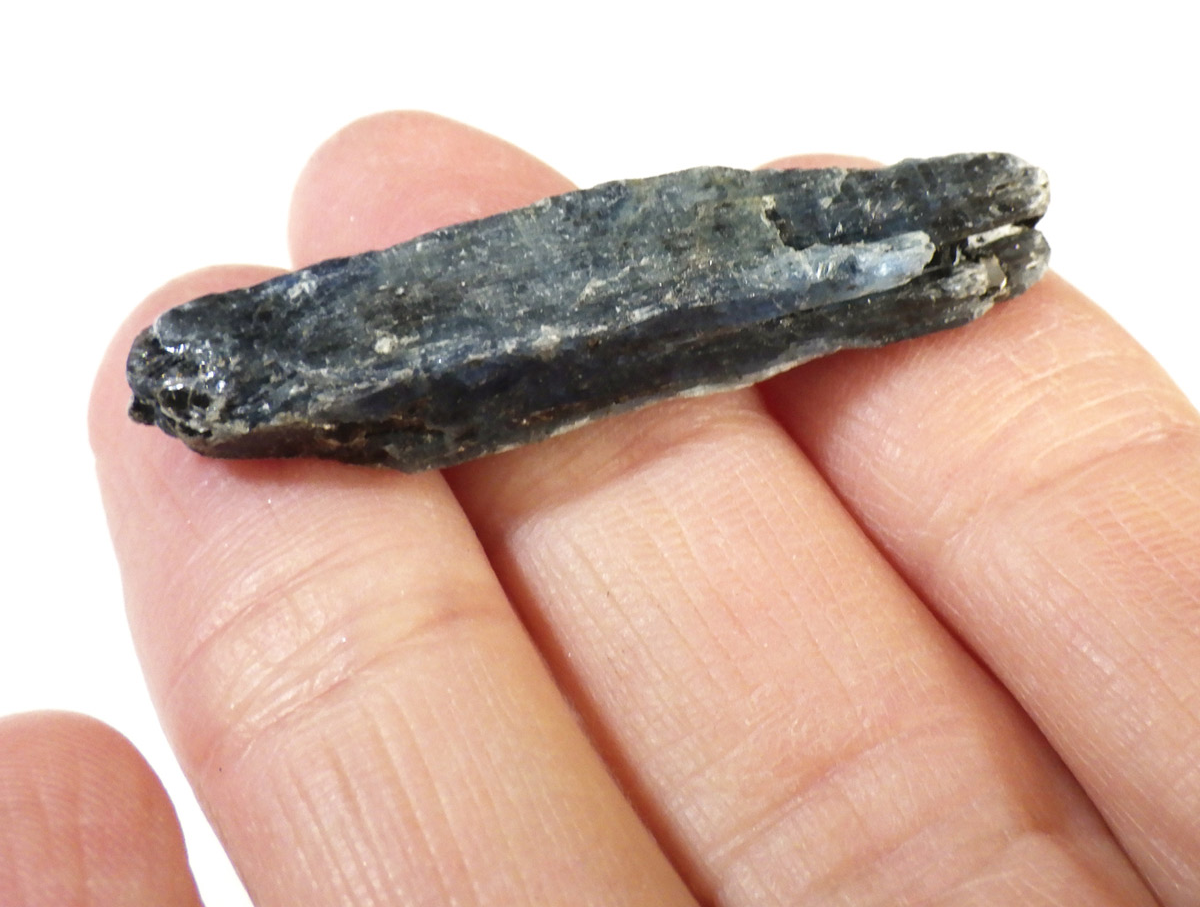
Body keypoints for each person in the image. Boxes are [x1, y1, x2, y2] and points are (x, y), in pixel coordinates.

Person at [3, 112, 1197, 906]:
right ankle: (932, 250)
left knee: (842, 264)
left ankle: (939, 247)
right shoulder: (287, 384)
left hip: (846, 252)